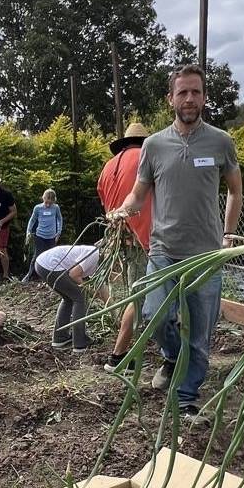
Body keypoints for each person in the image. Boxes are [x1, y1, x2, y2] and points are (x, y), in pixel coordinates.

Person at [111, 64, 243, 417]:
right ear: (170, 98)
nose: (189, 98)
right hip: (163, 250)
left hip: (207, 254)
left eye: (195, 92)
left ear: (204, 97)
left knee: (200, 333)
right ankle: (171, 357)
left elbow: (234, 191)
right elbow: (138, 195)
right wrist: (122, 211)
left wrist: (228, 235)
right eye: (182, 92)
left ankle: (186, 397)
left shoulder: (220, 141)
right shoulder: (154, 146)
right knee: (153, 313)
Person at [96, 122, 152, 373]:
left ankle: (150, 343)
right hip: (144, 236)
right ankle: (118, 357)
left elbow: (104, 201)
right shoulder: (145, 157)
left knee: (135, 291)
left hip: (121, 238)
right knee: (139, 296)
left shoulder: (109, 166)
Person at [34, 244, 103, 354]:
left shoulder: (97, 262)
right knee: (80, 297)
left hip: (42, 264)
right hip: (50, 265)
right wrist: (90, 290)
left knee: (68, 298)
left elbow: (101, 287)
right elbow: (74, 275)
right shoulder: (94, 254)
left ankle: (60, 338)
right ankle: (80, 343)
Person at [22, 189, 63, 281]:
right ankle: (29, 275)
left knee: (50, 256)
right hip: (40, 235)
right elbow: (32, 220)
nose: (48, 204)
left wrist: (58, 232)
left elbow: (59, 219)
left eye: (50, 202)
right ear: (43, 198)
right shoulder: (38, 208)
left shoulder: (56, 208)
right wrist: (28, 231)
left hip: (52, 236)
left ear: (53, 201)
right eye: (46, 202)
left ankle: (48, 277)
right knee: (37, 255)